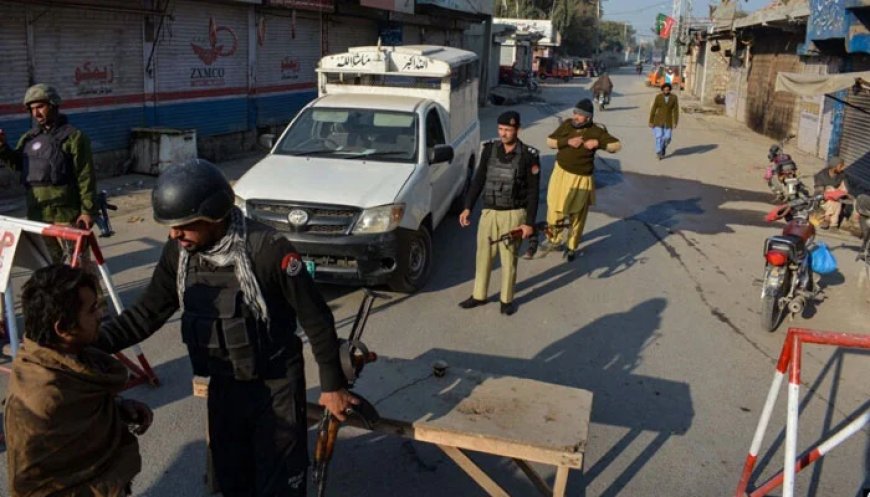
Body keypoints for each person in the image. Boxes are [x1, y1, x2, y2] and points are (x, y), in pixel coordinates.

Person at [94, 159, 356, 496]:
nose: (175, 234)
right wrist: (90, 344)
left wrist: (332, 385)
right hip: (224, 388)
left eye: (185, 225)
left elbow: (316, 318)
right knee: (232, 483)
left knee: (279, 486)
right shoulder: (180, 254)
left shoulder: (268, 250)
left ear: (215, 214)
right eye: (171, 226)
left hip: (275, 387)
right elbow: (146, 313)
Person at [5, 264, 152, 497]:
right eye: (92, 310)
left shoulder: (71, 359)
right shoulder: (43, 400)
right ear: (63, 328)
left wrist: (118, 408)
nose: (100, 315)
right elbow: (34, 487)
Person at [0, 84, 97, 263]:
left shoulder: (74, 137)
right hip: (38, 216)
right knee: (51, 264)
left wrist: (87, 211)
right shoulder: (29, 138)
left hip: (66, 215)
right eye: (32, 109)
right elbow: (19, 165)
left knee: (78, 265)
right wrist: (3, 148)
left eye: (40, 107)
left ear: (53, 105)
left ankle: (89, 292)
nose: (36, 113)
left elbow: (85, 176)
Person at [458, 111, 540, 316]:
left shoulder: (529, 155)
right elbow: (478, 180)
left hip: (513, 214)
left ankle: (506, 299)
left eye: (508, 130)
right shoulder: (489, 150)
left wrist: (529, 223)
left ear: (517, 130)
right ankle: (479, 295)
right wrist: (468, 207)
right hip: (489, 213)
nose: (503, 134)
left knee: (509, 259)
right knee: (483, 256)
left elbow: (533, 192)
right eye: (501, 129)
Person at [543, 99, 621, 262]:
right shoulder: (567, 125)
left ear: (588, 117)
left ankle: (571, 246)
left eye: (579, 114)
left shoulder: (596, 131)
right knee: (554, 210)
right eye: (575, 113)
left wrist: (598, 143)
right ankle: (554, 240)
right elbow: (550, 141)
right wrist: (566, 142)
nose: (576, 116)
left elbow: (616, 145)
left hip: (582, 178)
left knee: (577, 215)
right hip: (561, 174)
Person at [813, 155, 848, 230]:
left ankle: (827, 218)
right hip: (822, 200)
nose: (843, 168)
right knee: (831, 191)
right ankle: (833, 223)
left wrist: (840, 191)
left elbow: (845, 189)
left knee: (836, 202)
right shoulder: (821, 175)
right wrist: (831, 193)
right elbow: (819, 191)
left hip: (835, 200)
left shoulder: (842, 175)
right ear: (834, 166)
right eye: (840, 166)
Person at [649, 83, 679, 160]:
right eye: (665, 89)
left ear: (670, 90)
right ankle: (659, 152)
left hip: (669, 121)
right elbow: (654, 109)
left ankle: (663, 147)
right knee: (659, 136)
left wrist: (675, 121)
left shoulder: (674, 97)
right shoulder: (658, 97)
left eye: (668, 89)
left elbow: (675, 110)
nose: (666, 90)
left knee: (667, 137)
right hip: (658, 120)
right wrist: (651, 121)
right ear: (662, 89)